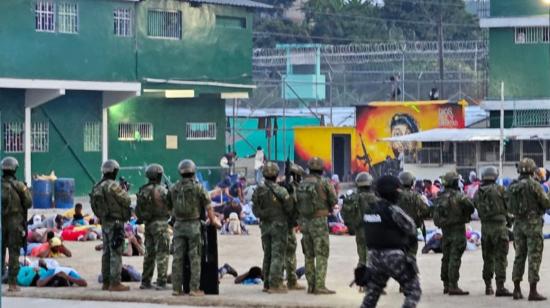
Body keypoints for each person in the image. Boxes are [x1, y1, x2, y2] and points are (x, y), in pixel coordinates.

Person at [359, 175, 421, 308]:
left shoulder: (369, 210)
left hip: (373, 258)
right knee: (413, 289)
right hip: (393, 256)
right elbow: (411, 228)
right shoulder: (393, 210)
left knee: (372, 294)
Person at [168, 159, 221, 297]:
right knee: (195, 257)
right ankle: (194, 288)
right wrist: (214, 221)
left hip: (178, 226)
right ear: (193, 171)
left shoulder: (174, 188)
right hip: (194, 226)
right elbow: (209, 207)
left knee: (177, 257)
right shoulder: (198, 188)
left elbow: (169, 207)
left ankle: (176, 289)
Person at [506, 158, 550, 301]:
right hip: (533, 224)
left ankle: (516, 289)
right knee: (534, 256)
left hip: (518, 224)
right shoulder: (534, 185)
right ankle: (533, 291)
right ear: (532, 170)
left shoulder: (513, 186)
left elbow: (508, 204)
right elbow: (546, 203)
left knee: (519, 256)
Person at [296, 157, 337, 294]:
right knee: (321, 254)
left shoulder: (301, 184)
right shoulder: (324, 183)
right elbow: (334, 200)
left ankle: (311, 286)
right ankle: (320, 285)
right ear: (321, 169)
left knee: (308, 255)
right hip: (319, 221)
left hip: (304, 223)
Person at [90, 159, 132, 292]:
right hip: (116, 223)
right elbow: (126, 200)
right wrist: (125, 190)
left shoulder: (98, 186)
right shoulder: (112, 186)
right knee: (116, 252)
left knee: (106, 252)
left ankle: (106, 282)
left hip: (105, 222)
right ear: (114, 171)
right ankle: (115, 283)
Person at [252, 161, 293, 293]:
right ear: (276, 175)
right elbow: (290, 207)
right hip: (279, 226)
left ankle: (267, 284)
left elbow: (255, 210)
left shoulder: (258, 190)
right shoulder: (281, 191)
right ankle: (275, 284)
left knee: (267, 254)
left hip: (265, 226)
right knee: (277, 255)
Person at [472, 166, 513, 297]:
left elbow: (475, 207)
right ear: (495, 176)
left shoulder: (478, 193)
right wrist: (509, 220)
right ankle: (500, 286)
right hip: (499, 228)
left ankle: (488, 286)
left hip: (485, 228)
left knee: (487, 257)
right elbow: (509, 206)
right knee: (500, 258)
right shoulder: (500, 190)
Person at [432, 171, 475, 295]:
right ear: (455, 182)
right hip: (457, 230)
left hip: (445, 231)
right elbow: (470, 207)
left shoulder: (440, 197)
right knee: (455, 258)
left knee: (446, 257)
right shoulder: (459, 196)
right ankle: (453, 285)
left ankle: (446, 284)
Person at [135, 163, 171, 290]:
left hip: (148, 224)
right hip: (160, 224)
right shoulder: (161, 190)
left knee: (149, 253)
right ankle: (161, 282)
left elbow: (138, 210)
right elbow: (170, 205)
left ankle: (145, 281)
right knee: (162, 253)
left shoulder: (142, 189)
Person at [1, 156, 32, 292]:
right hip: (15, 223)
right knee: (14, 252)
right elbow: (28, 203)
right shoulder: (19, 186)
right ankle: (12, 284)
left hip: (1, 222)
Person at [341, 172, 378, 267]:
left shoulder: (353, 197)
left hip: (358, 229)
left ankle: (362, 266)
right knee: (370, 252)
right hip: (371, 229)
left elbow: (344, 213)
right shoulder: (374, 198)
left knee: (361, 251)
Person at [398, 171, 430, 256]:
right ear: (411, 182)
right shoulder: (415, 196)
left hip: (397, 230)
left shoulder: (394, 195)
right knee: (411, 256)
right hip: (412, 228)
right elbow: (426, 211)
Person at [284, 164, 305, 290]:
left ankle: (275, 280)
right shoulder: (294, 189)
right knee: (290, 252)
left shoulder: (282, 186)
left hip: (281, 224)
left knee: (279, 252)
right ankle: (292, 281)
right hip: (288, 224)